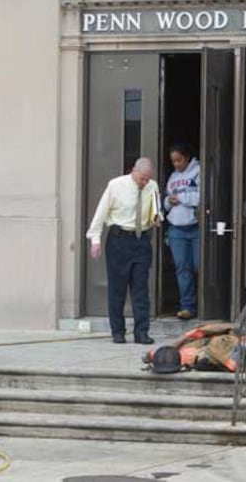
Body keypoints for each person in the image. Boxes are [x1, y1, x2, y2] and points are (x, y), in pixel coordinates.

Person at [86, 157, 161, 345]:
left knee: (141, 289)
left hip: (141, 239)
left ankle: (141, 332)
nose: (144, 182)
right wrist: (95, 239)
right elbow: (101, 212)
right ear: (134, 171)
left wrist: (157, 218)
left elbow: (157, 210)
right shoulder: (116, 185)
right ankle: (117, 331)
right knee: (117, 289)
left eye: (147, 179)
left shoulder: (153, 187)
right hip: (119, 239)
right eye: (142, 179)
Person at [163, 143, 200, 321]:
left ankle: (205, 305)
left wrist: (182, 198)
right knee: (182, 267)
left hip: (195, 226)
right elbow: (165, 203)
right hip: (176, 228)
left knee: (199, 266)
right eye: (173, 161)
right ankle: (187, 306)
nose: (176, 164)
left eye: (179, 160)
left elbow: (203, 196)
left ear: (187, 157)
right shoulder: (173, 176)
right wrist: (169, 201)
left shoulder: (199, 171)